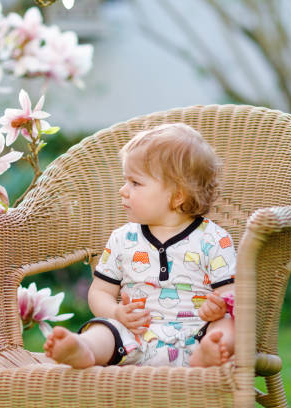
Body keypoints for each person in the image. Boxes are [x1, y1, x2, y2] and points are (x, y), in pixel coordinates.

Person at [43, 123, 236, 368]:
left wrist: (217, 306)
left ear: (177, 195)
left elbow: (231, 294)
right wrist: (116, 313)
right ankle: (84, 348)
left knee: (227, 325)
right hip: (133, 335)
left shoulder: (213, 238)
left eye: (135, 183)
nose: (123, 190)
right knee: (104, 329)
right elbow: (100, 292)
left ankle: (209, 353)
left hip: (197, 331)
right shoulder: (122, 239)